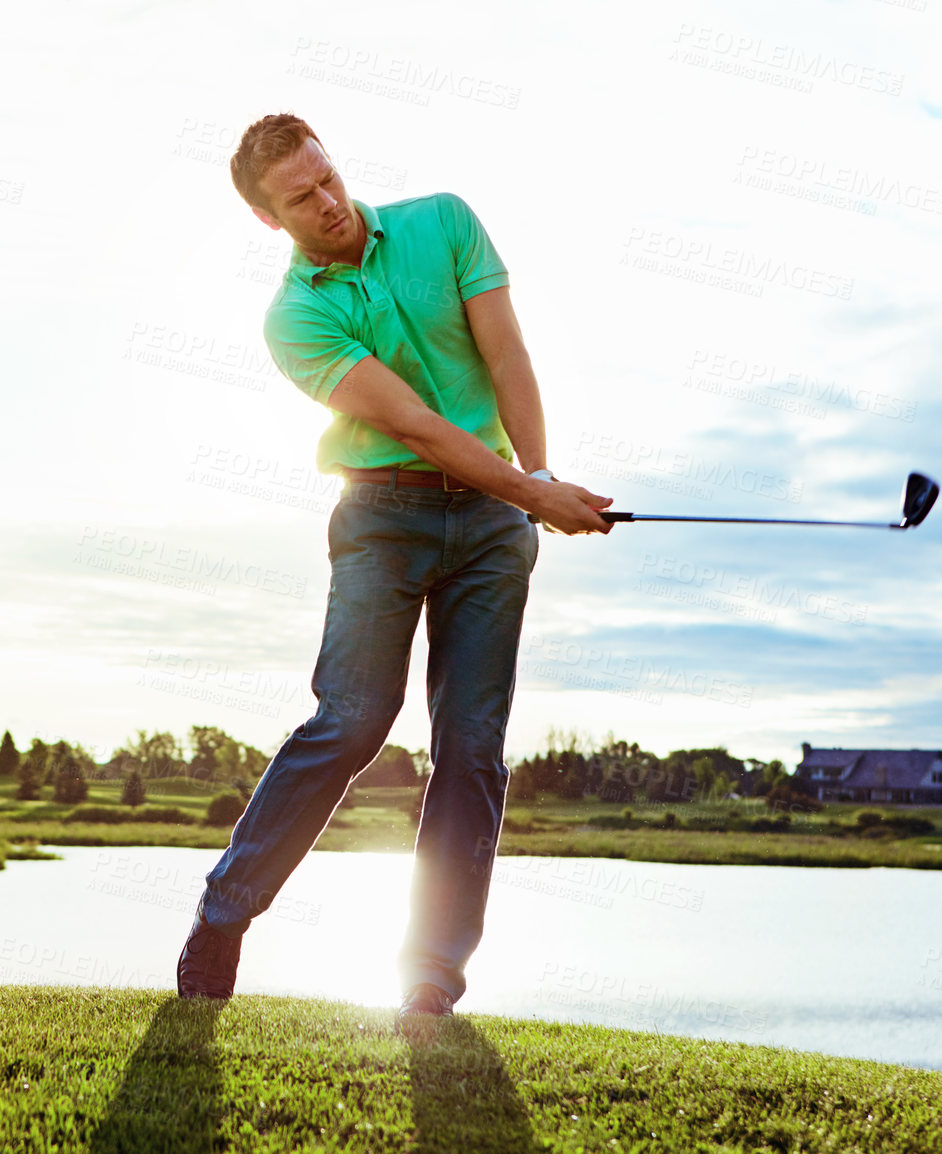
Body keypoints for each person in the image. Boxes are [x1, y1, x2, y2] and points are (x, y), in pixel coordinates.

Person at [176, 113, 613, 1025]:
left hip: (493, 521)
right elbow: (414, 424)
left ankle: (430, 980)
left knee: (472, 744)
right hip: (383, 518)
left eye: (327, 177)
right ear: (269, 219)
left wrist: (534, 477)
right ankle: (225, 912)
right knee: (353, 720)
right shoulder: (296, 316)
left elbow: (506, 355)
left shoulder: (443, 222)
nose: (329, 202)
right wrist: (535, 496)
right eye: (301, 197)